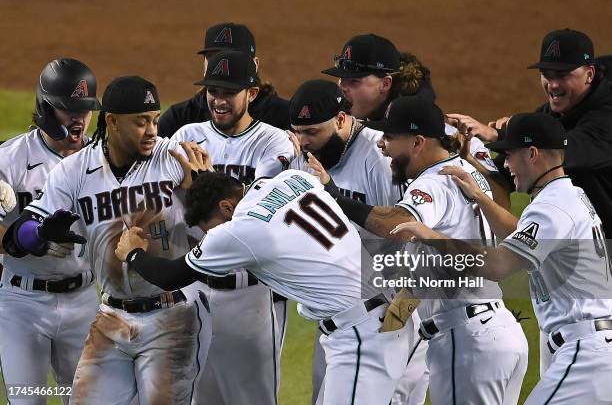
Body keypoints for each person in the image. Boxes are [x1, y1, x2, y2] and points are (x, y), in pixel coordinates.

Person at [114, 169, 412, 405]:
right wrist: (208, 177)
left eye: (212, 227)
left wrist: (134, 254)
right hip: (388, 311)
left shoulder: (241, 229)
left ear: (226, 207)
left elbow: (171, 276)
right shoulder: (295, 178)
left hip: (361, 333)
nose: (213, 235)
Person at [2, 76, 211, 404]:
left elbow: (221, 217)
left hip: (174, 314)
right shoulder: (73, 171)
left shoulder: (173, 158)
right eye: (141, 122)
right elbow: (22, 232)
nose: (152, 131)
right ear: (112, 122)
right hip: (112, 317)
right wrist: (39, 234)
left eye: (155, 120)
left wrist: (201, 187)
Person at [309, 95, 528, 405]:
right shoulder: (465, 169)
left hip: (467, 341)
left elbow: (395, 225)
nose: (382, 145)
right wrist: (389, 331)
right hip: (496, 332)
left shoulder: (433, 183)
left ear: (417, 142)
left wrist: (332, 197)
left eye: (390, 137)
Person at [393, 112, 612, 404]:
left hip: (588, 353)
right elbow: (519, 236)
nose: (506, 165)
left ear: (532, 154)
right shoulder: (570, 195)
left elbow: (498, 265)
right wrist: (482, 198)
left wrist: (430, 236)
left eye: (509, 155)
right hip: (592, 344)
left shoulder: (552, 207)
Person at [287, 79, 427, 405]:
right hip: (340, 320)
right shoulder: (304, 159)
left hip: (392, 316)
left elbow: (414, 240)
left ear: (340, 120)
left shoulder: (380, 157)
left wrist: (398, 321)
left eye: (312, 133)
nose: (304, 143)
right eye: (298, 132)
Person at [171, 50, 294, 405]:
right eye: (212, 90)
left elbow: (254, 212)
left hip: (251, 295)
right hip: (193, 290)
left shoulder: (274, 142)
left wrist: (203, 183)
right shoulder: (186, 135)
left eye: (229, 92)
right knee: (196, 397)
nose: (218, 100)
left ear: (252, 93)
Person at [0, 58, 101, 405]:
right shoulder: (9, 160)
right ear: (45, 108)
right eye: (67, 109)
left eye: (85, 109)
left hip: (85, 301)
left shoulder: (102, 160)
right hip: (22, 304)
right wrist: (29, 238)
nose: (79, 118)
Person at [449, 29, 612, 236]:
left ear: (589, 74)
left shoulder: (606, 113)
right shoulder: (548, 115)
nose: (553, 85)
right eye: (546, 74)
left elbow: (565, 153)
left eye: (563, 75)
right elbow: (506, 172)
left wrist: (500, 135)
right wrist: (465, 159)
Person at [323, 34, 505, 210]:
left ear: (385, 84)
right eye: (342, 78)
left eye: (354, 81)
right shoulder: (349, 125)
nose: (342, 87)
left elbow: (503, 205)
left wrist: (469, 162)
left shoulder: (451, 137)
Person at [158, 22, 290, 137]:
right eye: (213, 57)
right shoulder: (179, 119)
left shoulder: (285, 117)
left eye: (233, 58)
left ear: (254, 65)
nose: (221, 65)